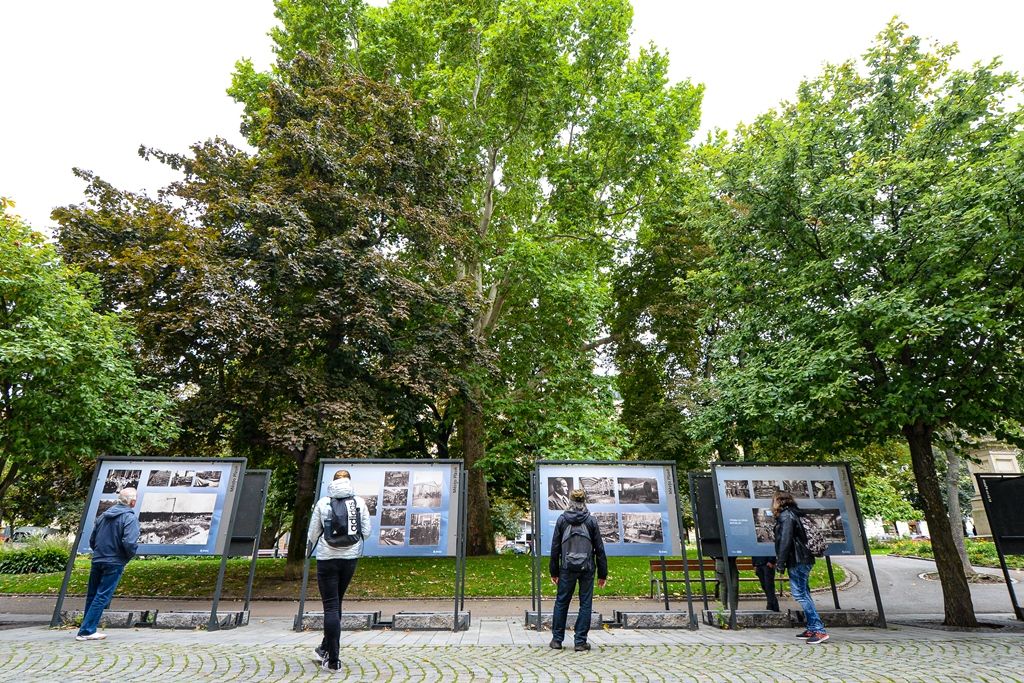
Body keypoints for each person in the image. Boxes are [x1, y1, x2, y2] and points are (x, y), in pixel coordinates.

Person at [307, 470, 372, 673]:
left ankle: (333, 660)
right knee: (337, 603)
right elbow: (366, 532)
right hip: (349, 559)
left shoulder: (323, 503)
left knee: (331, 606)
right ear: (349, 483)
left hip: (327, 559)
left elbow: (313, 533)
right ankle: (325, 648)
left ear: (333, 483)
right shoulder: (359, 503)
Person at [77, 487, 139, 641]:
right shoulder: (129, 518)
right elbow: (130, 542)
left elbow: (93, 539)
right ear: (132, 502)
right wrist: (127, 556)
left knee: (92, 595)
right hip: (114, 561)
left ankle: (87, 628)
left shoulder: (103, 516)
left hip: (98, 559)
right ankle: (87, 630)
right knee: (102, 595)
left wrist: (99, 552)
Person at [548, 489, 608, 652]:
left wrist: (554, 571)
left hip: (567, 568)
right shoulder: (591, 521)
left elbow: (555, 548)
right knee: (585, 603)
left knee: (561, 602)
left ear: (570, 501)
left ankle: (557, 640)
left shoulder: (562, 520)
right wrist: (602, 574)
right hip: (587, 568)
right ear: (584, 501)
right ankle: (580, 642)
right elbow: (599, 549)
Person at [774, 490, 828, 644]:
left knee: (800, 594)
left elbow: (785, 541)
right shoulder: (796, 513)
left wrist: (780, 563)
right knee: (805, 592)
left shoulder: (786, 516)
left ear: (778, 501)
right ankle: (812, 627)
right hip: (804, 558)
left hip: (797, 559)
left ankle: (819, 630)